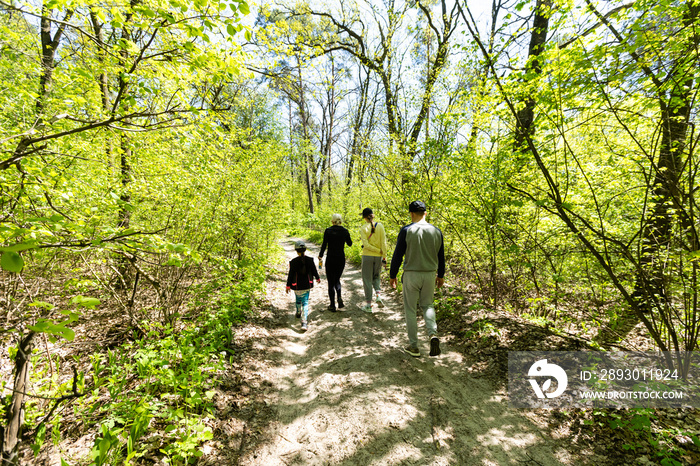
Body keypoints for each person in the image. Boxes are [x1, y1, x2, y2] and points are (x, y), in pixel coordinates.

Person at [390, 201, 445, 357]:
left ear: (411, 214)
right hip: (430, 274)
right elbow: (441, 257)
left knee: (410, 310)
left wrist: (392, 275)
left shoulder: (407, 230)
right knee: (428, 305)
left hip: (411, 274)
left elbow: (398, 255)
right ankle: (432, 334)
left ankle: (414, 346)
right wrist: (441, 275)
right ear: (425, 213)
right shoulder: (437, 231)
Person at [318, 213, 353, 311]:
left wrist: (320, 255)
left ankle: (332, 305)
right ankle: (339, 298)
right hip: (341, 259)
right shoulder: (345, 231)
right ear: (341, 221)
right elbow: (350, 244)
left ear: (332, 221)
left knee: (330, 282)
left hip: (331, 259)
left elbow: (324, 245)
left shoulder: (328, 231)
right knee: (337, 279)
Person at [286, 240, 321, 331]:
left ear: (296, 251)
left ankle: (298, 312)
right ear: (305, 250)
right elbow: (314, 270)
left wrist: (288, 285)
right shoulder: (310, 260)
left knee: (298, 300)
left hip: (296, 285)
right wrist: (317, 278)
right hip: (306, 285)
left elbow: (290, 274)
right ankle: (304, 322)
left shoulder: (293, 262)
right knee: (305, 302)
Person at [359, 207, 388, 312]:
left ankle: (368, 305)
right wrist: (384, 256)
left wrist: (376, 250)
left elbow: (365, 245)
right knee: (376, 277)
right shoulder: (380, 226)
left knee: (367, 279)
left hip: (367, 256)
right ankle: (378, 295)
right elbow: (384, 243)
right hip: (379, 256)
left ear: (364, 217)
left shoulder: (363, 228)